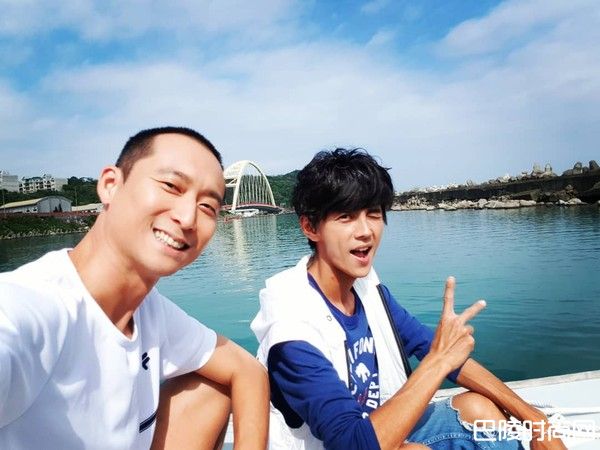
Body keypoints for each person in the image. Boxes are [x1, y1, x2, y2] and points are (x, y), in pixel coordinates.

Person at [251, 148, 565, 449]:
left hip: (380, 431)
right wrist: (438, 362)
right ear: (310, 227)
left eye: (373, 214)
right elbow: (352, 443)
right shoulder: (292, 328)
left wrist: (536, 420)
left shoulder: (368, 289)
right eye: (346, 216)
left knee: (479, 410)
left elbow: (438, 352)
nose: (366, 231)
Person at [0, 127, 269, 449]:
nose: (187, 218)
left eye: (208, 207)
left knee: (209, 385)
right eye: (171, 186)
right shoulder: (28, 308)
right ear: (110, 185)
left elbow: (247, 370)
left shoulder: (150, 312)